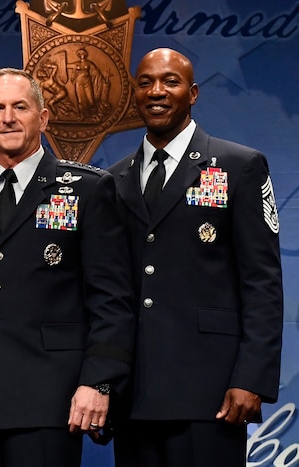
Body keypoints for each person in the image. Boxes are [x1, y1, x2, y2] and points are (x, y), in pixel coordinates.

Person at [0, 67, 134, 467]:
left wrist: (98, 380)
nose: (8, 117)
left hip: (49, 402)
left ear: (42, 118)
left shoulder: (87, 190)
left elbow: (112, 299)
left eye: (20, 107)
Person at [107, 48, 283, 467]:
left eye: (170, 81)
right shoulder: (113, 179)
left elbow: (262, 283)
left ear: (193, 93)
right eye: (146, 81)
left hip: (212, 390)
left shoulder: (239, 166)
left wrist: (251, 378)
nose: (157, 91)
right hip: (134, 393)